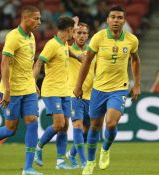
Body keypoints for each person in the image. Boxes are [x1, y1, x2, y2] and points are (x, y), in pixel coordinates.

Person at [73, 5, 141, 174]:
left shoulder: (132, 40)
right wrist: (78, 86)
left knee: (110, 123)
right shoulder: (98, 38)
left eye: (119, 18)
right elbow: (87, 62)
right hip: (98, 89)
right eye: (113, 17)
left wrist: (137, 84)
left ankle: (105, 149)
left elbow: (135, 61)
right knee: (95, 126)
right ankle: (90, 162)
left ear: (124, 21)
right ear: (107, 20)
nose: (116, 20)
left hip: (119, 88)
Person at [0, 6, 42, 175]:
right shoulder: (13, 37)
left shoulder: (32, 37)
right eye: (36, 19)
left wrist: (33, 82)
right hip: (12, 90)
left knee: (32, 122)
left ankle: (28, 168)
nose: (39, 22)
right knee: (10, 129)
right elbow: (4, 63)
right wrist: (7, 90)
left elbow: (27, 62)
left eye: (39, 19)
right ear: (25, 18)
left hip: (28, 88)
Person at [33, 16, 76, 170]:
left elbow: (71, 53)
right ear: (69, 30)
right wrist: (33, 82)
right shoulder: (52, 45)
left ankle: (60, 162)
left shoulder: (64, 44)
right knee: (59, 124)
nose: (74, 34)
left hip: (64, 91)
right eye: (74, 31)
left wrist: (82, 58)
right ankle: (38, 147)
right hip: (51, 90)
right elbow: (39, 62)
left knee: (64, 127)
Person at [65, 22, 96, 169]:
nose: (81, 36)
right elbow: (60, 39)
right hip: (73, 93)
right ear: (73, 34)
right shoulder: (68, 49)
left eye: (84, 33)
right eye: (78, 33)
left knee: (88, 130)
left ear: (88, 35)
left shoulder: (93, 52)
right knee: (77, 124)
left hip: (91, 96)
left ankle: (71, 154)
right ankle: (84, 161)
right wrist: (73, 24)